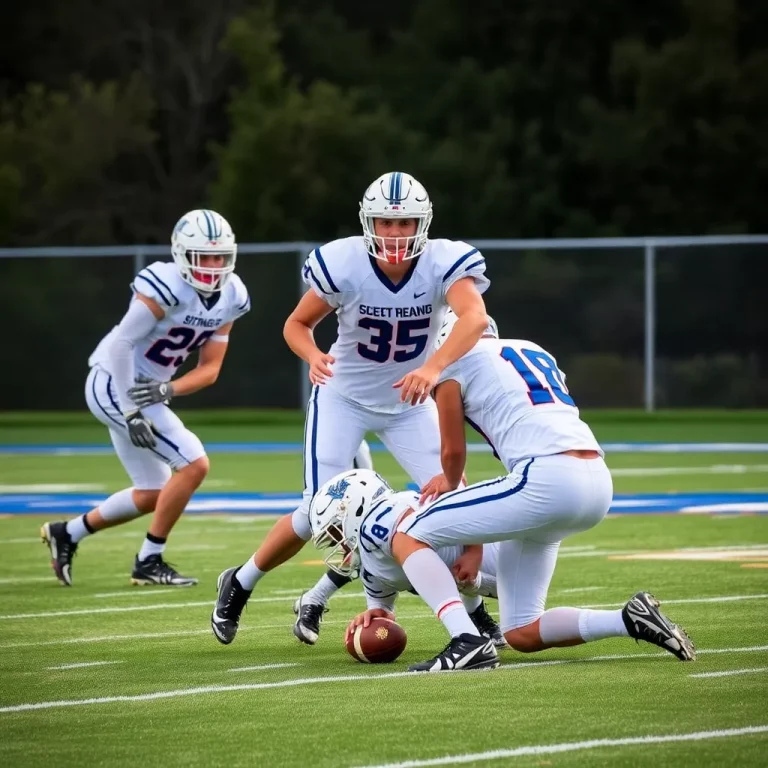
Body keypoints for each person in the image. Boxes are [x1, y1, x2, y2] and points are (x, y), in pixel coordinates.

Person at [211, 171, 491, 645]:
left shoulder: (443, 262)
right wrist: (313, 354)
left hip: (410, 402)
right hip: (344, 398)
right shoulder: (344, 263)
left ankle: (473, 612)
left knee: (457, 505)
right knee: (322, 515)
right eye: (385, 222)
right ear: (369, 223)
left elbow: (475, 317)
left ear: (423, 225)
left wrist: (433, 367)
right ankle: (240, 582)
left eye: (405, 225)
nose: (395, 234)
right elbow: (296, 324)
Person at [389, 312, 696, 671]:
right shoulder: (533, 350)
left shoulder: (452, 363)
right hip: (596, 479)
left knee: (408, 533)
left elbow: (453, 452)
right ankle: (626, 619)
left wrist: (447, 477)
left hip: (547, 478)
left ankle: (466, 640)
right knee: (520, 630)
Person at [41, 210, 250, 587]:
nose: (212, 266)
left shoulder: (232, 296)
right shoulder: (166, 285)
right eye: (203, 256)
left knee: (155, 491)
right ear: (182, 253)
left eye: (219, 257)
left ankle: (67, 533)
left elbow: (210, 368)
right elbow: (122, 344)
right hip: (115, 382)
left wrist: (168, 389)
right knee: (194, 464)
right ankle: (148, 561)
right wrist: (132, 409)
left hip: (148, 391)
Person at [305, 468, 506, 648]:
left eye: (338, 533)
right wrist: (378, 615)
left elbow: (461, 487)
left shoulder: (382, 519)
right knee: (521, 633)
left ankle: (469, 630)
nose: (341, 545)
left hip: (507, 546)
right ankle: (474, 623)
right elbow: (382, 606)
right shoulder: (370, 556)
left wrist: (474, 550)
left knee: (524, 627)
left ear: (354, 509)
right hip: (490, 578)